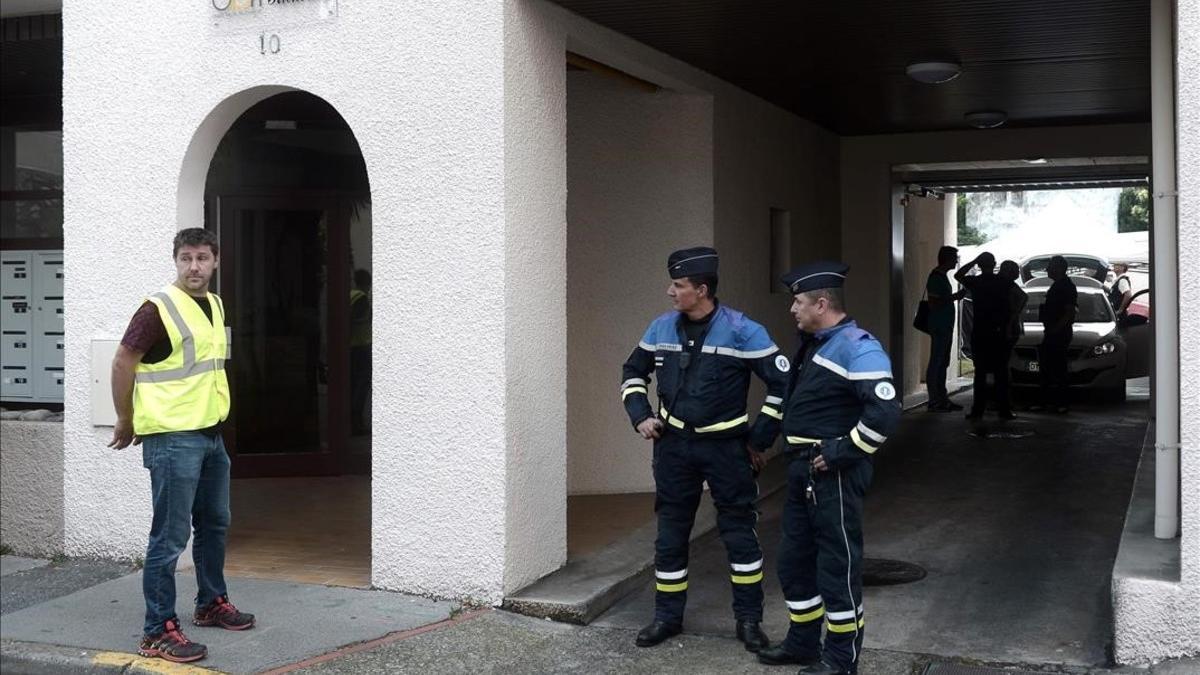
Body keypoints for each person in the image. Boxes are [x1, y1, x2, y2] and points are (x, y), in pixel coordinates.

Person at [621, 247, 789, 652]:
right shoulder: (661, 328)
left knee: (739, 537)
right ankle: (666, 618)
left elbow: (783, 384)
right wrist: (641, 414)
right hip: (674, 448)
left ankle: (749, 621)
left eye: (677, 285)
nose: (669, 292)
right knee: (670, 536)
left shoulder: (743, 331)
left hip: (727, 450)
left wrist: (758, 439)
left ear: (701, 289)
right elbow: (632, 372)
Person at [109, 228, 254, 664]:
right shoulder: (157, 309)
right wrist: (125, 417)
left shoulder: (214, 304)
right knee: (169, 538)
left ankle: (211, 602)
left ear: (216, 261)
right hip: (172, 438)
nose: (195, 266)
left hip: (210, 435)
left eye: (203, 258)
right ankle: (157, 631)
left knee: (214, 525)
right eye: (187, 258)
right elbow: (122, 361)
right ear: (176, 261)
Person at [757, 261, 900, 675]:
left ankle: (841, 659)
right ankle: (803, 643)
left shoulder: (858, 346)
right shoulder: (815, 343)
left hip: (833, 474)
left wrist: (843, 451)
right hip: (804, 472)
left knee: (837, 567)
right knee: (794, 561)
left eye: (798, 302)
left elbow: (884, 414)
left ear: (822, 303)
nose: (792, 310)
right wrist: (759, 442)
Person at [955, 252, 1014, 420]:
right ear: (994, 263)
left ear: (980, 265)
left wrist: (973, 261)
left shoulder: (976, 282)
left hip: (981, 331)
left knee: (980, 373)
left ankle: (977, 410)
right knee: (1000, 372)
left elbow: (958, 275)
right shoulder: (1003, 282)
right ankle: (1004, 410)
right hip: (999, 331)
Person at [924, 246, 965, 412]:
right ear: (947, 259)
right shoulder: (936, 278)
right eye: (955, 258)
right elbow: (934, 303)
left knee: (942, 362)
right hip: (939, 325)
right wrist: (954, 297)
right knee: (937, 362)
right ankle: (935, 400)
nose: (956, 261)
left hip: (944, 325)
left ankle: (941, 398)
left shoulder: (941, 276)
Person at [1038, 255, 1077, 413]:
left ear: (1059, 268)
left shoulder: (1065, 287)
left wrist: (1056, 329)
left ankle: (1060, 402)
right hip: (1055, 331)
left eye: (1050, 266)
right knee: (1050, 367)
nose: (1047, 269)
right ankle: (1050, 402)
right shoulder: (1059, 285)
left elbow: (1069, 312)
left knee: (1058, 368)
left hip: (1058, 333)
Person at [997, 261, 1028, 414]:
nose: (1017, 274)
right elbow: (1023, 297)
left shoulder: (1004, 284)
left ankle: (1003, 401)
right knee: (1003, 366)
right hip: (1009, 329)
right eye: (1015, 271)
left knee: (1002, 366)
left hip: (1005, 329)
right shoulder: (1008, 285)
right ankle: (1005, 401)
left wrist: (1012, 317)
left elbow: (1023, 297)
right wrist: (1014, 316)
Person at [349, 269, 372, 436]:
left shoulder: (350, 294)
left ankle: (352, 419)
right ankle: (356, 421)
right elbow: (355, 319)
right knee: (362, 386)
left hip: (351, 346)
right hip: (361, 346)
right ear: (367, 283)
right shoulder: (362, 298)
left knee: (354, 383)